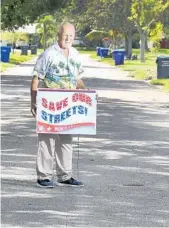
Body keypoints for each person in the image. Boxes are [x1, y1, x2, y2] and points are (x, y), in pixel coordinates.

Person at [30, 22, 86, 188]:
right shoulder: (49, 54)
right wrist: (33, 101)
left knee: (66, 139)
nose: (68, 39)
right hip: (49, 103)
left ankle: (65, 175)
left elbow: (77, 79)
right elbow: (35, 78)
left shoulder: (75, 55)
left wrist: (86, 91)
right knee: (47, 139)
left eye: (71, 36)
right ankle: (44, 176)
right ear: (58, 35)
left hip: (69, 105)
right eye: (64, 35)